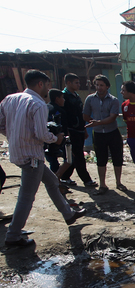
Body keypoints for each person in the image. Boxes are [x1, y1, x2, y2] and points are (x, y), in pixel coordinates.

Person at [0, 70, 86, 247]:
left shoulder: (10, 99)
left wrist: (14, 137)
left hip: (19, 152)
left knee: (52, 181)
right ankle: (13, 236)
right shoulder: (38, 103)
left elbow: (1, 124)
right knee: (26, 196)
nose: (48, 88)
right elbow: (42, 134)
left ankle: (68, 214)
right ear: (40, 84)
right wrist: (57, 139)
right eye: (47, 85)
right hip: (31, 155)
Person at [83, 74, 125, 195]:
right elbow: (85, 115)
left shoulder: (113, 100)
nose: (99, 87)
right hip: (98, 133)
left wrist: (98, 122)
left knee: (117, 158)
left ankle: (119, 182)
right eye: (97, 85)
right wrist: (93, 122)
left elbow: (112, 118)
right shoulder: (90, 99)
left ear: (107, 86)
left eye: (101, 85)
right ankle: (102, 184)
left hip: (112, 132)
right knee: (101, 160)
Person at [62, 73, 97, 188]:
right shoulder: (64, 97)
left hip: (79, 130)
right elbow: (64, 116)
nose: (78, 84)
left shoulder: (75, 96)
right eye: (76, 82)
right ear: (68, 83)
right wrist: (66, 131)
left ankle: (64, 177)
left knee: (73, 156)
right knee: (78, 156)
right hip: (71, 131)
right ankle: (86, 180)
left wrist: (84, 130)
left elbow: (80, 114)